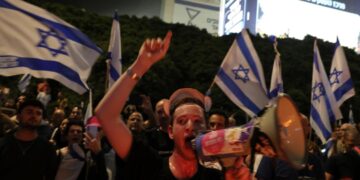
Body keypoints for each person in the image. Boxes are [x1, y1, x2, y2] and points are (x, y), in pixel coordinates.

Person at [95, 31, 251, 179]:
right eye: (182, 121)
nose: (190, 126)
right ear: (170, 131)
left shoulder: (215, 176)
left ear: (206, 131)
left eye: (198, 121)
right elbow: (105, 114)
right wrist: (141, 64)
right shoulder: (150, 164)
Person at [0, 100, 57, 180]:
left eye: (38, 113)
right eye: (29, 112)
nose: (34, 116)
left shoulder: (48, 149)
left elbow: (50, 175)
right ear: (18, 116)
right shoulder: (3, 143)